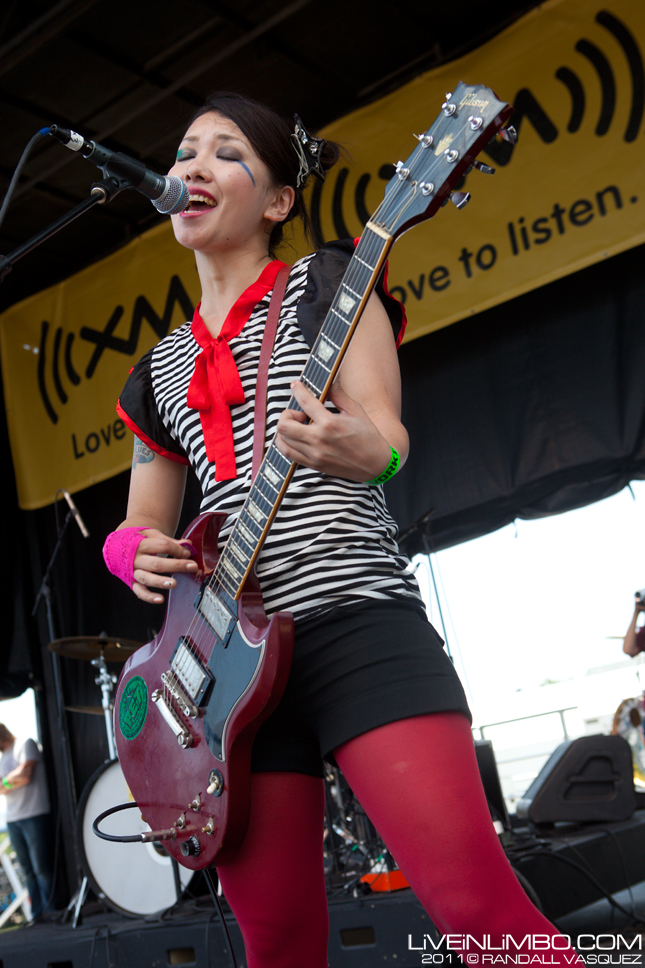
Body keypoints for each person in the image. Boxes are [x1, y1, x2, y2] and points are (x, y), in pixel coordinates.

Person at [103, 92, 581, 968]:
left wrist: (370, 452)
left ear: (278, 200)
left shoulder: (330, 280)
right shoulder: (157, 370)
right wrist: (129, 550)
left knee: (476, 908)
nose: (192, 168)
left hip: (356, 618)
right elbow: (142, 523)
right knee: (277, 944)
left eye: (225, 153)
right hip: (224, 680)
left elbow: (386, 438)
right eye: (184, 153)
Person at [0, 723, 54, 920]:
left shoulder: (25, 743)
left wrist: (5, 781)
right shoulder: (3, 756)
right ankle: (37, 915)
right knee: (27, 872)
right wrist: (11, 779)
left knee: (42, 868)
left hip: (33, 814)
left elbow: (25, 776)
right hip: (13, 819)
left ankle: (52, 911)